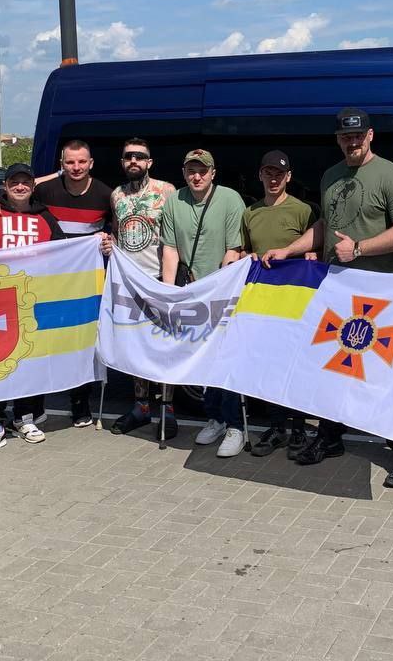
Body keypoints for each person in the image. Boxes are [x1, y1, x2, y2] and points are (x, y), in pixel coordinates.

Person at [262, 108, 393, 467]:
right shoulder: (331, 175)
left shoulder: (391, 176)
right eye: (345, 136)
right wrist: (289, 249)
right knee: (332, 366)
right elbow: (325, 224)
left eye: (358, 135)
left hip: (379, 294)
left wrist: (360, 248)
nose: (352, 142)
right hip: (338, 289)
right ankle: (330, 437)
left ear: (370, 136)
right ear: (338, 139)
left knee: (386, 373)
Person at [0, 163, 67, 457]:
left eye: (25, 182)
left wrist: (95, 243)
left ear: (33, 186)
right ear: (5, 186)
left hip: (31, 303)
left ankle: (24, 417)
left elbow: (64, 254)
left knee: (28, 362)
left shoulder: (45, 217)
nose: (20, 187)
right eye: (14, 182)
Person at [160, 148, 246, 456]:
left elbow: (234, 249)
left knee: (226, 360)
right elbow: (170, 249)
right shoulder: (174, 201)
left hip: (222, 291)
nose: (197, 176)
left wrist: (219, 290)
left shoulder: (230, 199)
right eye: (191, 171)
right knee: (202, 360)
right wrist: (168, 294)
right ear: (184, 173)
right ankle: (215, 419)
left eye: (202, 171)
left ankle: (235, 425)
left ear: (213, 173)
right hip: (190, 292)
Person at [239, 150, 318, 458]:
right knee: (268, 365)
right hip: (263, 301)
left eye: (279, 174)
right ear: (260, 175)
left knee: (295, 365)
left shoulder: (303, 211)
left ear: (289, 177)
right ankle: (276, 428)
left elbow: (315, 247)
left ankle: (298, 428)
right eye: (268, 173)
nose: (274, 179)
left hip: (296, 299)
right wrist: (246, 256)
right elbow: (243, 251)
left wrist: (311, 254)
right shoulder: (250, 213)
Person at [34, 140, 114, 427]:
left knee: (82, 341)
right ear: (61, 164)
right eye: (70, 162)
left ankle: (80, 403)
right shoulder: (46, 190)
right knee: (43, 339)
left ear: (91, 163)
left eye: (82, 162)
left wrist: (110, 242)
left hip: (85, 283)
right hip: (48, 280)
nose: (76, 167)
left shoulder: (105, 194)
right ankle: (36, 404)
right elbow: (16, 192)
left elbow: (116, 232)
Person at [108, 138, 180, 441]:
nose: (134, 161)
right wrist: (108, 244)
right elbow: (116, 232)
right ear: (123, 162)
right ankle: (141, 406)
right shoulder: (117, 195)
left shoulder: (166, 191)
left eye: (140, 156)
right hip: (129, 282)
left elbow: (175, 236)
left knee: (164, 345)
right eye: (128, 156)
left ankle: (167, 407)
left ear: (149, 162)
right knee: (135, 345)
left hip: (160, 279)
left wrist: (171, 282)